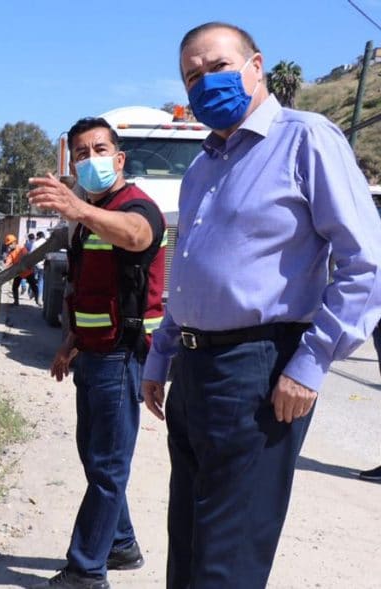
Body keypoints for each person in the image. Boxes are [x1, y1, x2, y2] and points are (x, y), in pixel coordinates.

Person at [140, 23, 381, 589]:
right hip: (195, 372)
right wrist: (161, 357)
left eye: (217, 66)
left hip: (260, 370)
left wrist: (310, 364)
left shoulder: (307, 139)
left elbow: (366, 263)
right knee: (190, 542)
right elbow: (193, 271)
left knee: (229, 557)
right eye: (191, 76)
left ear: (256, 66)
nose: (205, 82)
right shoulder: (202, 166)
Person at [28, 116, 165, 588]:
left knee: (108, 466)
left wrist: (78, 208)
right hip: (92, 353)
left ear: (120, 158)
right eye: (81, 153)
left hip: (122, 355)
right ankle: (121, 544)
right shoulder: (89, 219)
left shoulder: (137, 208)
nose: (91, 160)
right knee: (96, 456)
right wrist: (68, 345)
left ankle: (86, 572)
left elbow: (137, 236)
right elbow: (85, 289)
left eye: (100, 150)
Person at [3, 234, 37, 306]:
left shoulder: (22, 248)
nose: (8, 246)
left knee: (33, 285)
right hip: (19, 272)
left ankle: (37, 299)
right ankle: (16, 302)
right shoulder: (11, 253)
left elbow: (26, 257)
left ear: (14, 242)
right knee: (14, 287)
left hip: (28, 271)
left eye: (9, 244)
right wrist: (6, 264)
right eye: (8, 245)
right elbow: (8, 261)